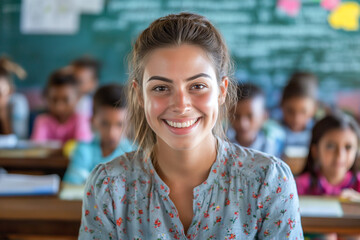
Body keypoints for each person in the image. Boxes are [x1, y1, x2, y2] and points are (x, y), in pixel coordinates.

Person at [79, 13, 303, 239]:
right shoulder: (109, 187)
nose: (181, 105)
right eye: (160, 88)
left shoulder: (268, 182)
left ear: (222, 91)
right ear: (139, 95)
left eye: (197, 86)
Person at [296, 112, 360, 239]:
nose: (340, 155)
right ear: (315, 151)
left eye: (348, 147)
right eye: (330, 146)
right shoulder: (301, 185)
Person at [63, 84, 134, 185]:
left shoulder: (135, 154)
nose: (111, 133)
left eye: (120, 124)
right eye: (104, 123)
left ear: (129, 123)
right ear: (93, 121)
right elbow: (71, 188)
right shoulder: (83, 150)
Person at [31, 68, 92, 144]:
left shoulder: (81, 121)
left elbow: (83, 147)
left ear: (77, 98)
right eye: (54, 100)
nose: (59, 107)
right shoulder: (42, 121)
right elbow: (37, 150)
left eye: (66, 100)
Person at [228, 83, 285, 157]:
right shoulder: (221, 145)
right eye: (236, 116)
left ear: (264, 117)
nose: (243, 124)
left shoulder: (272, 146)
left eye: (250, 116)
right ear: (228, 115)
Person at [281, 72, 318, 149]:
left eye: (303, 111)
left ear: (314, 109)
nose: (296, 118)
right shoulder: (272, 133)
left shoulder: (320, 134)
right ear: (281, 105)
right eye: (290, 111)